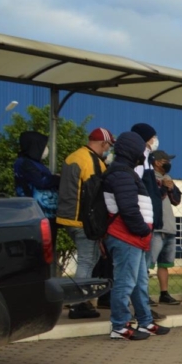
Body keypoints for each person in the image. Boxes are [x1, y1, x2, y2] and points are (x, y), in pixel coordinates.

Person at [101, 131, 170, 341]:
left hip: (134, 237)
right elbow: (128, 208)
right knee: (125, 282)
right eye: (141, 149)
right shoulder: (121, 173)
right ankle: (119, 326)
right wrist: (142, 229)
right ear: (132, 150)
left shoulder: (125, 171)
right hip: (126, 236)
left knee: (140, 282)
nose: (144, 153)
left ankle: (145, 320)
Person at [56, 127, 114, 319]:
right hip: (83, 221)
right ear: (103, 144)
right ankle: (77, 304)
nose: (109, 150)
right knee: (87, 260)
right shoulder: (93, 162)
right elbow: (94, 196)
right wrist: (98, 224)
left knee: (91, 257)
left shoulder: (73, 156)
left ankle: (82, 301)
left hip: (68, 217)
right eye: (109, 146)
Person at [140, 150, 182, 306]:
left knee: (165, 264)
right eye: (166, 160)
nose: (168, 163)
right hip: (156, 228)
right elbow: (154, 198)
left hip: (170, 227)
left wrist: (170, 188)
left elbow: (176, 200)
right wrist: (164, 187)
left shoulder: (167, 177)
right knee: (147, 264)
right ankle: (143, 296)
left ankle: (164, 293)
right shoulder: (149, 177)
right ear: (157, 162)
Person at [13, 130, 61, 234]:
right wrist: (58, 179)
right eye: (44, 146)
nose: (46, 149)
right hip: (37, 214)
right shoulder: (25, 163)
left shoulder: (34, 163)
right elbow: (41, 181)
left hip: (45, 214)